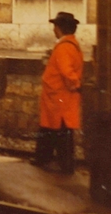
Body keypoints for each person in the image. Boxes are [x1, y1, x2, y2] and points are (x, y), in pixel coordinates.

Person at [32, 11, 83, 173]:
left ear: (59, 28)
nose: (53, 29)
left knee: (56, 131)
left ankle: (57, 163)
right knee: (56, 130)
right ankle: (48, 160)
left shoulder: (63, 48)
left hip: (57, 98)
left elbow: (67, 71)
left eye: (55, 26)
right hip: (60, 97)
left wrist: (75, 84)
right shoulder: (72, 45)